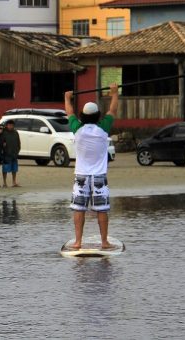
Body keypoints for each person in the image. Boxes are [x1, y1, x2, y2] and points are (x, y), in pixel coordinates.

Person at [65, 84, 120, 250]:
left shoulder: (77, 129)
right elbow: (112, 111)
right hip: (99, 176)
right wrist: (114, 93)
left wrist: (67, 98)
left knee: (79, 209)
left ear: (82, 115)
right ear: (97, 116)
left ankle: (77, 242)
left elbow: (69, 112)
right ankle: (104, 242)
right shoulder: (103, 128)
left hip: (81, 176)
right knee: (101, 210)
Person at [1, 120, 21, 188]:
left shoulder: (15, 133)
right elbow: (0, 143)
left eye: (12, 125)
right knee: (5, 169)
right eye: (9, 125)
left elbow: (18, 143)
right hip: (6, 154)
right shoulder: (3, 133)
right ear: (6, 125)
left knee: (14, 169)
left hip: (14, 154)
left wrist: (17, 151)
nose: (10, 126)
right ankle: (4, 183)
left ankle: (14, 182)